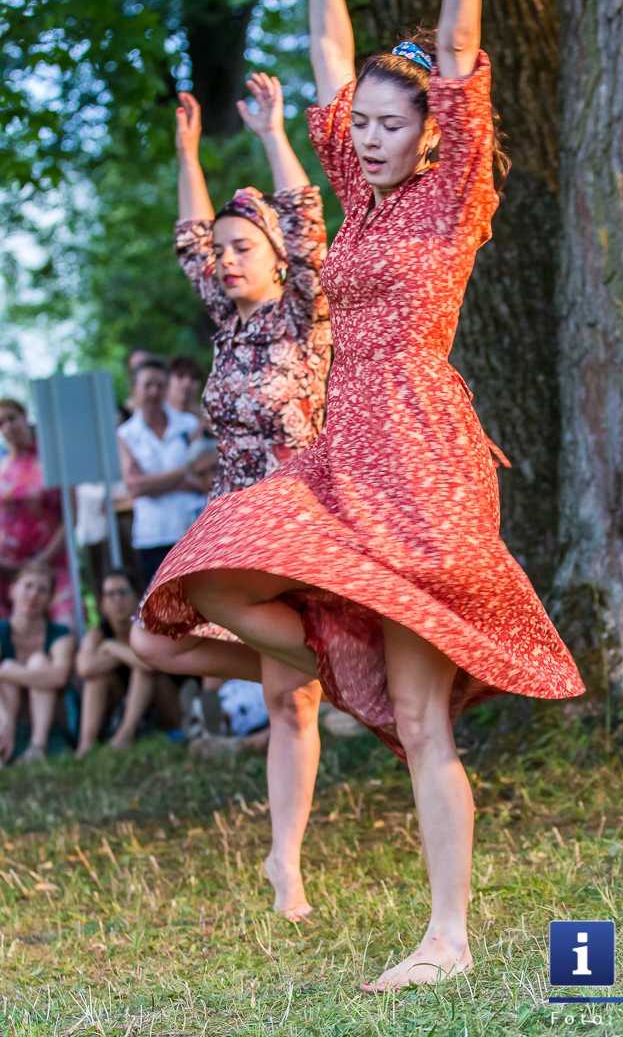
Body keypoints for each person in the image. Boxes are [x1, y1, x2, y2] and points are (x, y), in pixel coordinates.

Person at [133, 0, 585, 991]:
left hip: (420, 450)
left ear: (431, 131)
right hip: (339, 452)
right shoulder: (363, 207)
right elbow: (332, 56)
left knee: (427, 723)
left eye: (392, 125)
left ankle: (446, 933)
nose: (370, 137)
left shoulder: (449, 201)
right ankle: (343, 659)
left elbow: (459, 48)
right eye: (364, 128)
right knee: (217, 567)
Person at [131, 70, 335, 917]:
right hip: (230, 517)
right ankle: (324, 662)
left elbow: (308, 221)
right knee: (153, 643)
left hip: (298, 516)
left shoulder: (306, 311)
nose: (222, 258)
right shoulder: (230, 321)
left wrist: (271, 133)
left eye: (240, 246)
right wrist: (186, 150)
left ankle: (283, 864)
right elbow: (188, 238)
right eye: (221, 251)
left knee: (291, 709)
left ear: (277, 257)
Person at [117, 358, 207, 588]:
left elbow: (207, 477)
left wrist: (154, 484)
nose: (154, 392)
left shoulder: (188, 424)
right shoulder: (126, 434)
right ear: (134, 389)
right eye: (147, 385)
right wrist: (185, 473)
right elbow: (135, 486)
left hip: (193, 529)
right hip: (152, 535)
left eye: (160, 385)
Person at [75, 568, 179, 756]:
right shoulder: (98, 633)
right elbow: (84, 668)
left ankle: (125, 736)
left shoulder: (149, 627)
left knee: (143, 670)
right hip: (119, 703)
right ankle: (85, 745)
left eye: (122, 592)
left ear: (137, 597)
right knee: (95, 678)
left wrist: (112, 648)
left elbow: (149, 664)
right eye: (110, 595)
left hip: (163, 707)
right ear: (102, 604)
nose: (117, 600)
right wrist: (121, 652)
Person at [0, 398, 74, 626]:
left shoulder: (52, 460)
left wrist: (42, 559)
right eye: (1, 423)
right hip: (8, 570)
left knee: (64, 626)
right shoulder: (2, 467)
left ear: (25, 417)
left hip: (51, 564)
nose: (8, 427)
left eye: (12, 418)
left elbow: (71, 516)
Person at [0, 563, 75, 764]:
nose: (33, 595)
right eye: (28, 586)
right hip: (7, 715)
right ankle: (6, 741)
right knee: (7, 671)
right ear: (12, 591)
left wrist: (7, 671)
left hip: (50, 718)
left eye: (42, 590)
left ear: (50, 599)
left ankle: (37, 747)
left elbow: (59, 676)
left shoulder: (60, 634)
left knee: (37, 662)